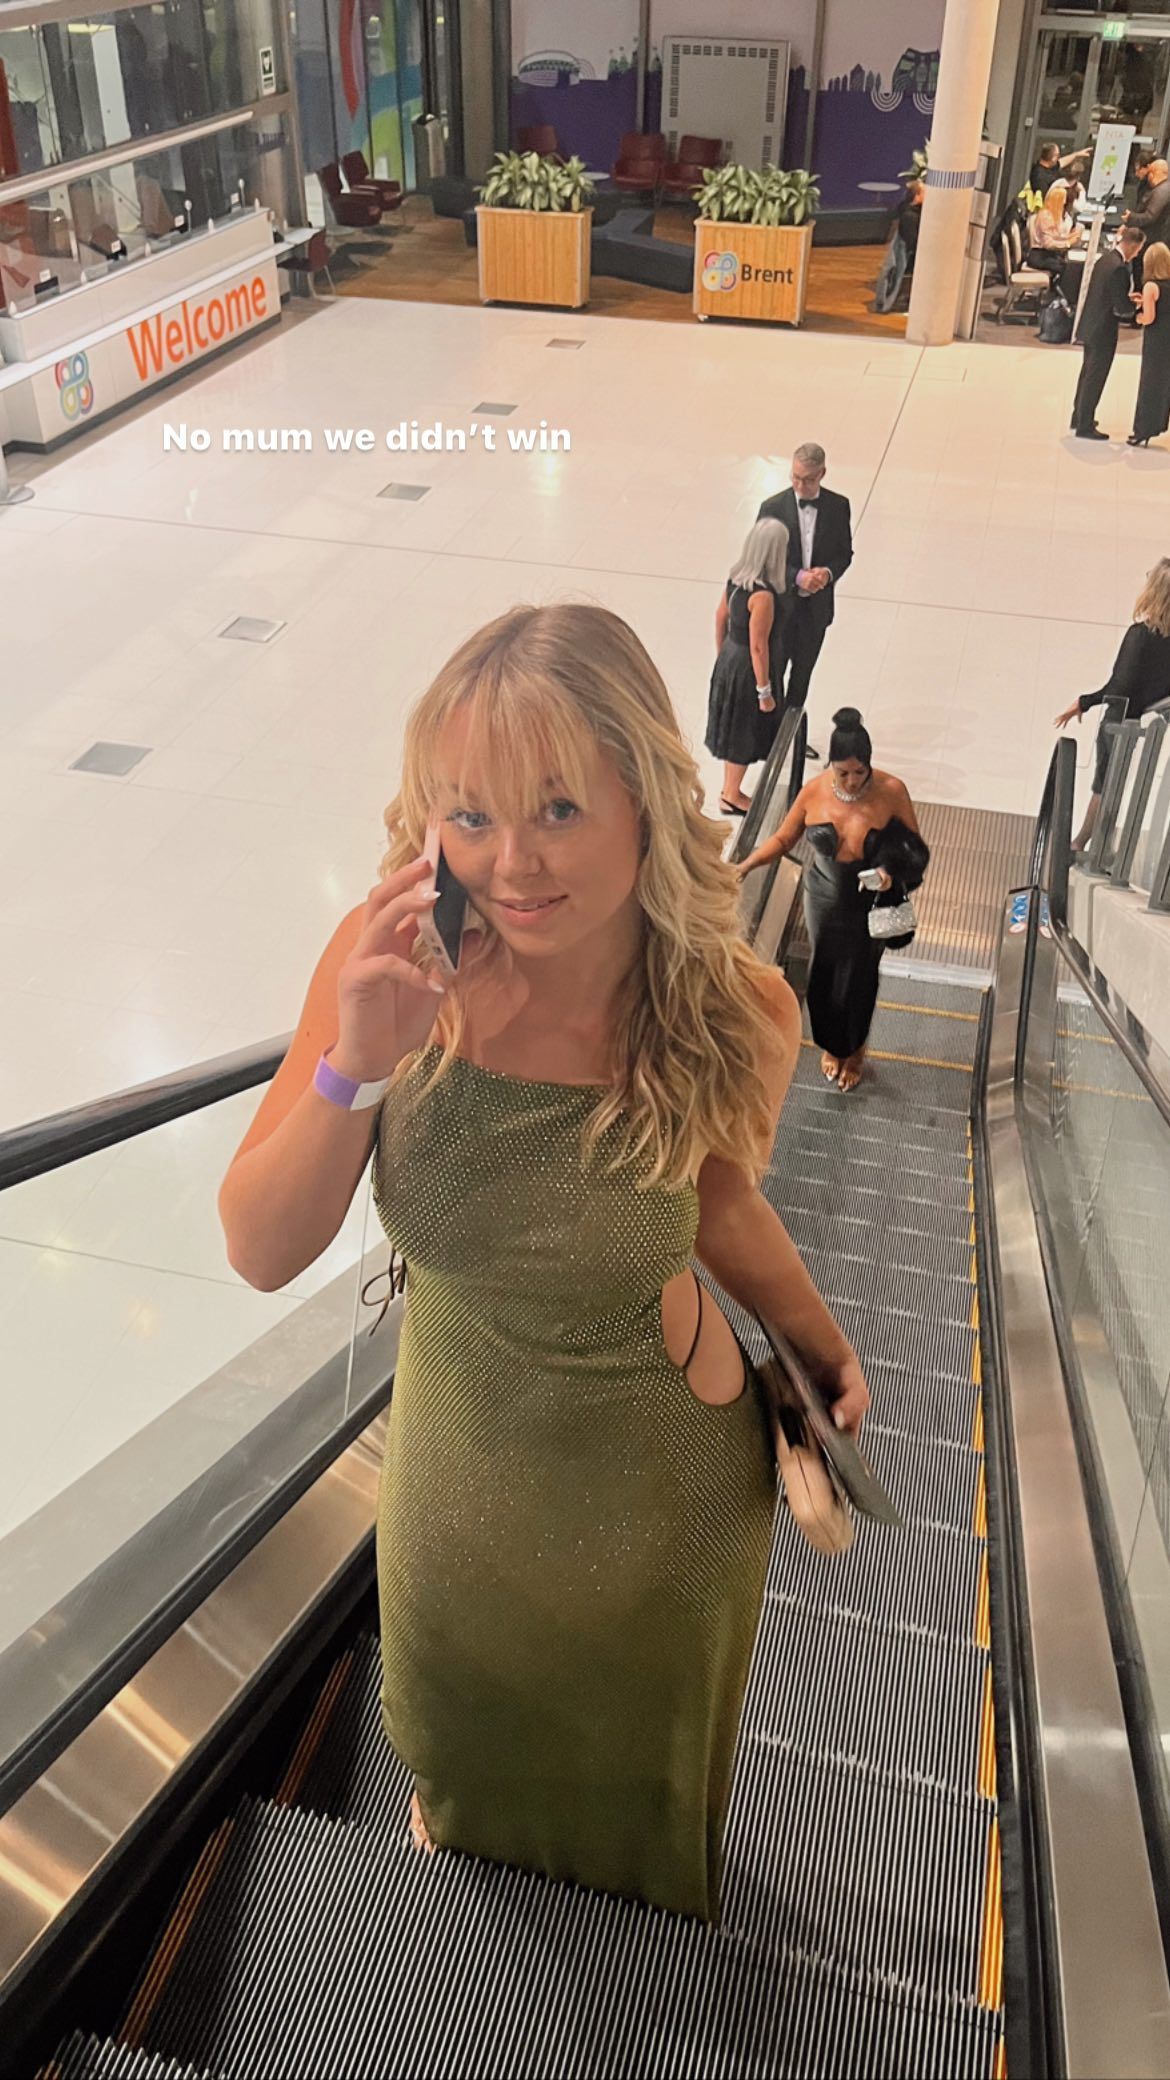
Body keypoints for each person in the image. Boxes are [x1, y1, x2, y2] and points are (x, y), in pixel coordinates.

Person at [218, 602, 869, 1924]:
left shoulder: (731, 1010)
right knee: (461, 1779)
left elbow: (715, 1199)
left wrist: (815, 1335)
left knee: (638, 1813)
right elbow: (260, 1249)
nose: (510, 863)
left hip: (664, 1503)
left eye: (558, 809)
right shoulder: (389, 965)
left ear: (643, 798)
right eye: (469, 814)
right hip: (459, 1488)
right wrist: (359, 1060)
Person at [738, 708, 928, 1094]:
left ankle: (854, 1052)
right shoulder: (814, 792)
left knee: (860, 977)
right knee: (822, 975)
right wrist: (746, 866)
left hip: (868, 903)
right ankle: (830, 1045)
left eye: (860, 772)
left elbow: (915, 850)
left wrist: (889, 872)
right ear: (831, 765)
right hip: (823, 897)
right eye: (843, 773)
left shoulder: (891, 791)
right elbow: (784, 838)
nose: (853, 781)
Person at [1055, 558, 1170, 851]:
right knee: (1114, 786)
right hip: (1143, 726)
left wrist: (1084, 702)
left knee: (1103, 787)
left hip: (1118, 722)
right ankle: (1096, 845)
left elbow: (1119, 687)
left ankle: (1082, 844)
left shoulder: (1141, 635)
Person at [757, 443, 854, 762]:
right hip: (780, 610)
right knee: (775, 671)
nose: (800, 485)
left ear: (822, 473)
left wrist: (827, 574)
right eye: (795, 477)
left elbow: (844, 553)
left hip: (815, 613)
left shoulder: (839, 506)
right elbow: (762, 558)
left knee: (802, 677)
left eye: (808, 479)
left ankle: (791, 738)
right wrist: (797, 577)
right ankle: (770, 737)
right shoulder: (773, 507)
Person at [705, 517, 788, 816]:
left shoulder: (735, 580)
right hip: (748, 669)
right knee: (742, 731)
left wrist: (722, 658)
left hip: (731, 657)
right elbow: (758, 646)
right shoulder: (763, 596)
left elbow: (720, 618)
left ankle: (729, 788)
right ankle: (731, 794)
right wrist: (764, 691)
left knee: (733, 728)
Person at [1071, 224, 1145, 439]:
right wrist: (1136, 306)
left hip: (1090, 323)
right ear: (1132, 245)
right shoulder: (1120, 268)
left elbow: (1108, 293)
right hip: (1103, 330)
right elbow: (1121, 307)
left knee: (1086, 373)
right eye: (1138, 250)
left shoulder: (1105, 259)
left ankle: (1078, 416)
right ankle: (1085, 425)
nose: (1137, 254)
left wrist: (1126, 298)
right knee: (1095, 377)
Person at [1129, 241, 1170, 447]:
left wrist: (1138, 317)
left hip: (1156, 341)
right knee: (1165, 383)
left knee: (1150, 383)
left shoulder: (1150, 286)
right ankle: (1159, 423)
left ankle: (1143, 429)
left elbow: (1149, 317)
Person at [1028, 179, 1083, 278]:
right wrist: (1068, 243)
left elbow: (1056, 236)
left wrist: (1072, 237)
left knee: (1073, 267)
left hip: (1051, 254)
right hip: (1040, 256)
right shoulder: (1046, 216)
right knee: (1068, 269)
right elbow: (1048, 243)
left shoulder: (1058, 216)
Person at [1125, 158, 1170, 243]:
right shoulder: (1161, 189)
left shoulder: (1161, 191)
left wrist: (1131, 217)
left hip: (1154, 238)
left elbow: (1149, 216)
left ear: (1153, 174)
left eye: (1149, 173)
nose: (1148, 177)